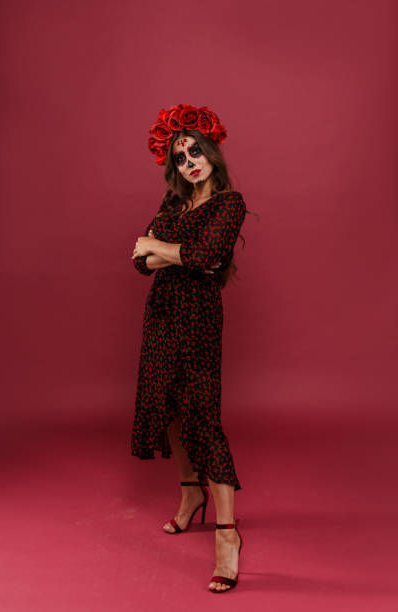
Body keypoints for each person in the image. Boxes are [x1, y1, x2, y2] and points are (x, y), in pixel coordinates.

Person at [131, 104, 248, 592]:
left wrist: (161, 249)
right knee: (170, 410)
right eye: (181, 157)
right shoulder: (173, 204)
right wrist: (160, 252)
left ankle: (227, 533)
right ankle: (188, 495)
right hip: (161, 316)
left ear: (213, 154)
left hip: (198, 319)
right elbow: (138, 260)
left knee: (203, 415)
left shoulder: (230, 203)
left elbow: (208, 256)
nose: (190, 162)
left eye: (196, 151)